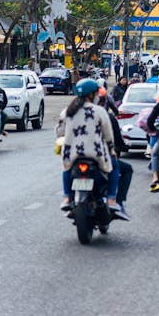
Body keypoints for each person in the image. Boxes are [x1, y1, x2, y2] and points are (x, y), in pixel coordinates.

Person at [57, 77, 128, 219]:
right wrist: (112, 150)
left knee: (67, 168)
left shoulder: (67, 112)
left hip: (72, 154)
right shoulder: (99, 111)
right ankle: (112, 199)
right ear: (92, 95)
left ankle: (67, 198)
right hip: (96, 154)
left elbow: (59, 132)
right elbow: (108, 136)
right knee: (115, 168)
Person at [96, 84, 133, 216]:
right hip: (100, 156)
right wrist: (120, 147)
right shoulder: (106, 117)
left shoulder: (73, 112)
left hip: (77, 155)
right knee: (121, 168)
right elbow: (112, 138)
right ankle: (115, 200)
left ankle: (68, 198)